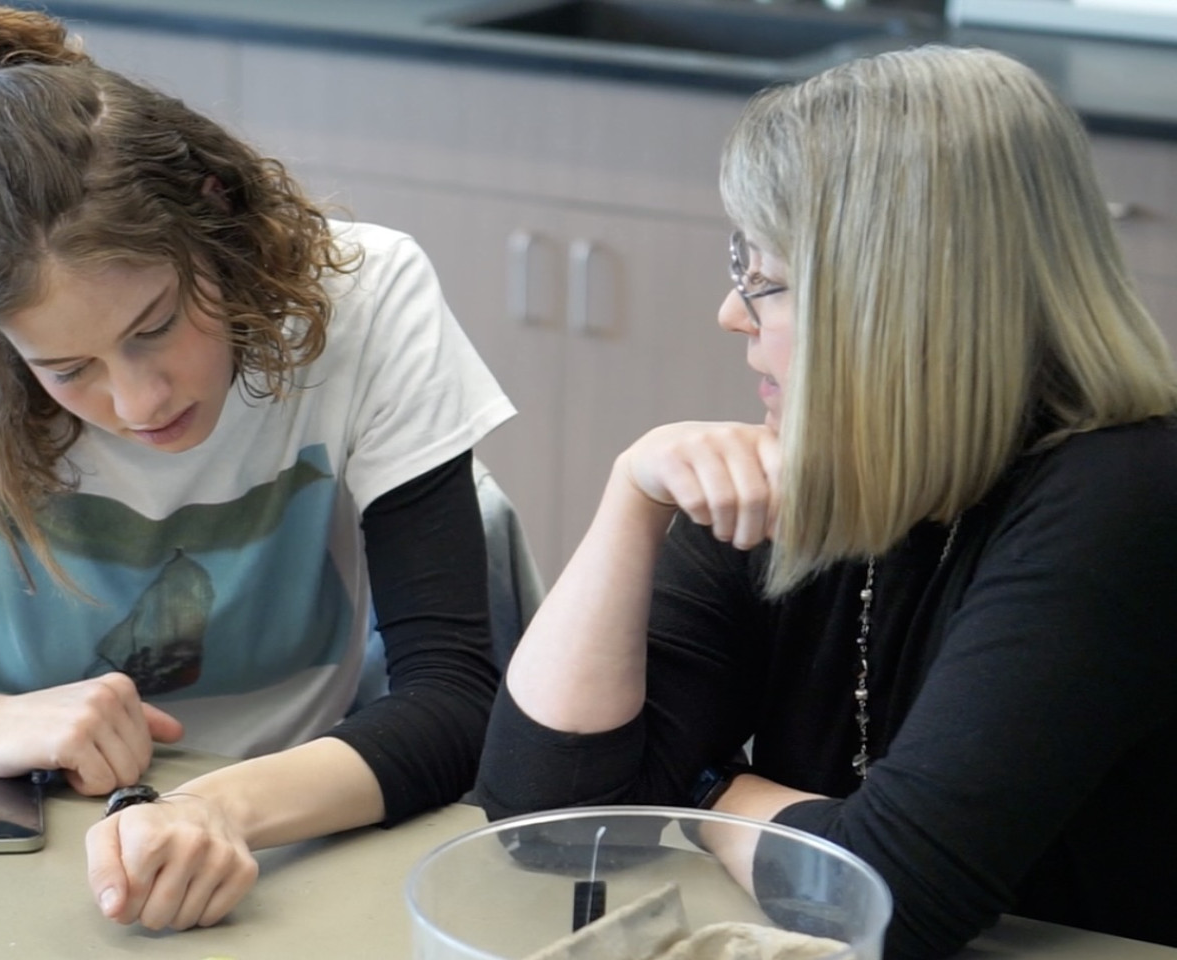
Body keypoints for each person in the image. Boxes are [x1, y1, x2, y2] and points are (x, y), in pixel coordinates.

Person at [0, 0, 514, 932]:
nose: (140, 401)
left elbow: (454, 698)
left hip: (288, 823)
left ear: (218, 218)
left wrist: (213, 809)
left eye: (155, 327)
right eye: (68, 371)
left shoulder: (367, 302)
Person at [474, 45, 1177, 960]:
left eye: (763, 277)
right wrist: (631, 501)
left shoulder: (1124, 497)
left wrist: (709, 790)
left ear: (895, 299)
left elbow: (890, 901)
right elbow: (546, 820)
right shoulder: (819, 468)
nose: (733, 313)